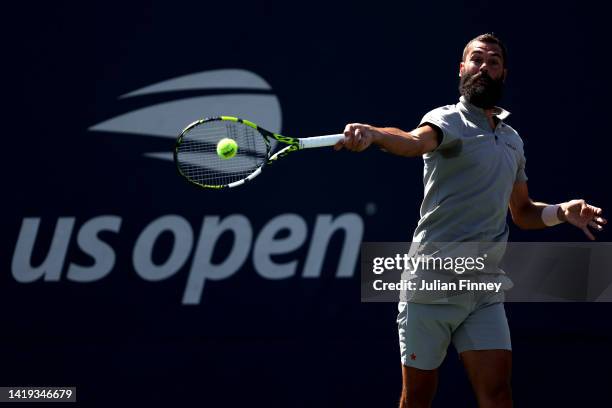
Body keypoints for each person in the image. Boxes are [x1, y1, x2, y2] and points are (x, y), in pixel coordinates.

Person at [335, 33, 607, 408]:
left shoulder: (512, 140)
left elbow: (523, 212)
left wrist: (562, 212)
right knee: (417, 399)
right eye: (476, 59)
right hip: (430, 284)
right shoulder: (447, 120)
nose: (484, 66)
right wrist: (375, 134)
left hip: (483, 288)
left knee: (497, 393)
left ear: (503, 73)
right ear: (462, 69)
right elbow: (413, 142)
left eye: (493, 61)